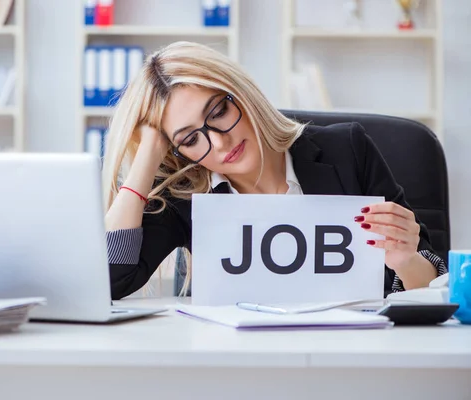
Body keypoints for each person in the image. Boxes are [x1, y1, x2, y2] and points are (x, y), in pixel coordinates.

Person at [102, 41, 447, 301]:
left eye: (219, 111)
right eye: (191, 138)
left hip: (349, 359)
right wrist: (146, 157)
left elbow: (433, 286)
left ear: (240, 92)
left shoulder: (347, 150)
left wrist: (405, 260)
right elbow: (109, 281)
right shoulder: (187, 195)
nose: (220, 143)